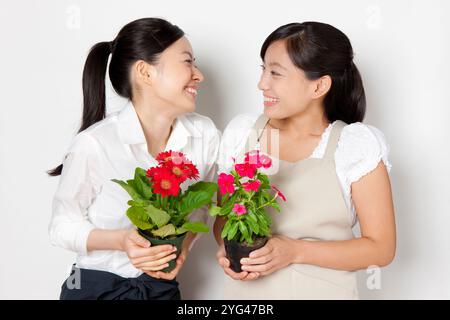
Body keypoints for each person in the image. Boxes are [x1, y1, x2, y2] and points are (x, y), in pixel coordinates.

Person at [215, 22, 396, 299]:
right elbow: (223, 223)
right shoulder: (243, 133)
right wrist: (228, 250)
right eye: (263, 69)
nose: (262, 83)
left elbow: (381, 249)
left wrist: (295, 251)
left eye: (275, 72)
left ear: (319, 86)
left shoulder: (353, 146)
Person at [48, 17, 220, 300]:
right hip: (95, 290)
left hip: (161, 289)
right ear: (145, 72)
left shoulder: (205, 134)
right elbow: (61, 227)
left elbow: (203, 206)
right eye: (187, 62)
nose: (198, 75)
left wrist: (183, 247)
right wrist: (121, 241)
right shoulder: (95, 143)